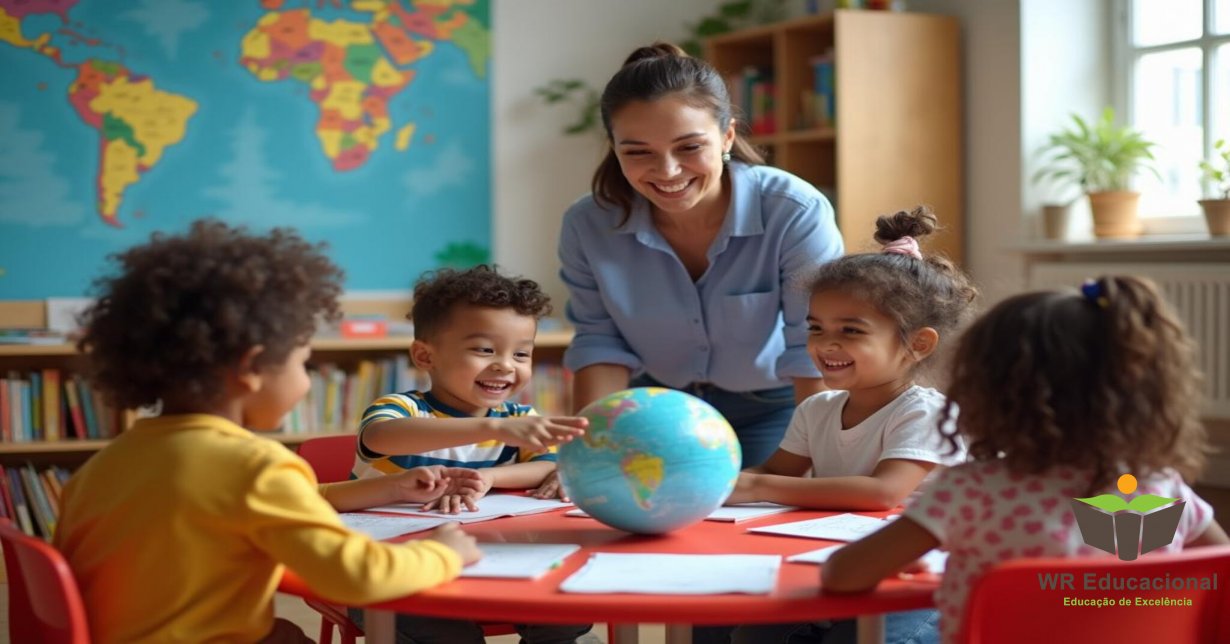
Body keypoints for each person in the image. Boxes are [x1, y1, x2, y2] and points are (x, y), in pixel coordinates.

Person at [53, 220, 482, 643]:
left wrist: (391, 488)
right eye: (302, 363)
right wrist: (444, 552)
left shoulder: (107, 463)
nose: (306, 380)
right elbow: (359, 578)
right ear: (251, 368)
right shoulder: (255, 467)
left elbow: (276, 504)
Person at [822, 275, 1230, 643]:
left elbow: (843, 575)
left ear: (985, 391)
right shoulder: (1163, 487)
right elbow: (1220, 567)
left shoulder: (970, 491)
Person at [537, 41, 844, 501]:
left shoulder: (792, 210)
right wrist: (588, 453)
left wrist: (821, 456)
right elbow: (600, 343)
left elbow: (812, 342)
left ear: (726, 137)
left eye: (689, 146)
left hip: (774, 412)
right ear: (615, 148)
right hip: (654, 411)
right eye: (637, 152)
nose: (667, 171)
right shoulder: (587, 224)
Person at [727, 206, 976, 644]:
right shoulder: (817, 408)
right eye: (817, 328)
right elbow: (774, 472)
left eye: (851, 330)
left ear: (917, 344)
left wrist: (754, 488)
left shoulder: (927, 412)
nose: (826, 344)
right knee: (752, 634)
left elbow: (882, 493)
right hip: (836, 567)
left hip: (920, 590)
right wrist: (703, 483)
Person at [349, 264, 593, 644]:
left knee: (566, 613)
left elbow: (547, 463)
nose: (505, 365)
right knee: (439, 630)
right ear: (425, 356)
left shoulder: (517, 417)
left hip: (491, 562)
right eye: (484, 349)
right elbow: (380, 438)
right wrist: (492, 428)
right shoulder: (403, 408)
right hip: (393, 572)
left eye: (522, 354)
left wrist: (491, 478)